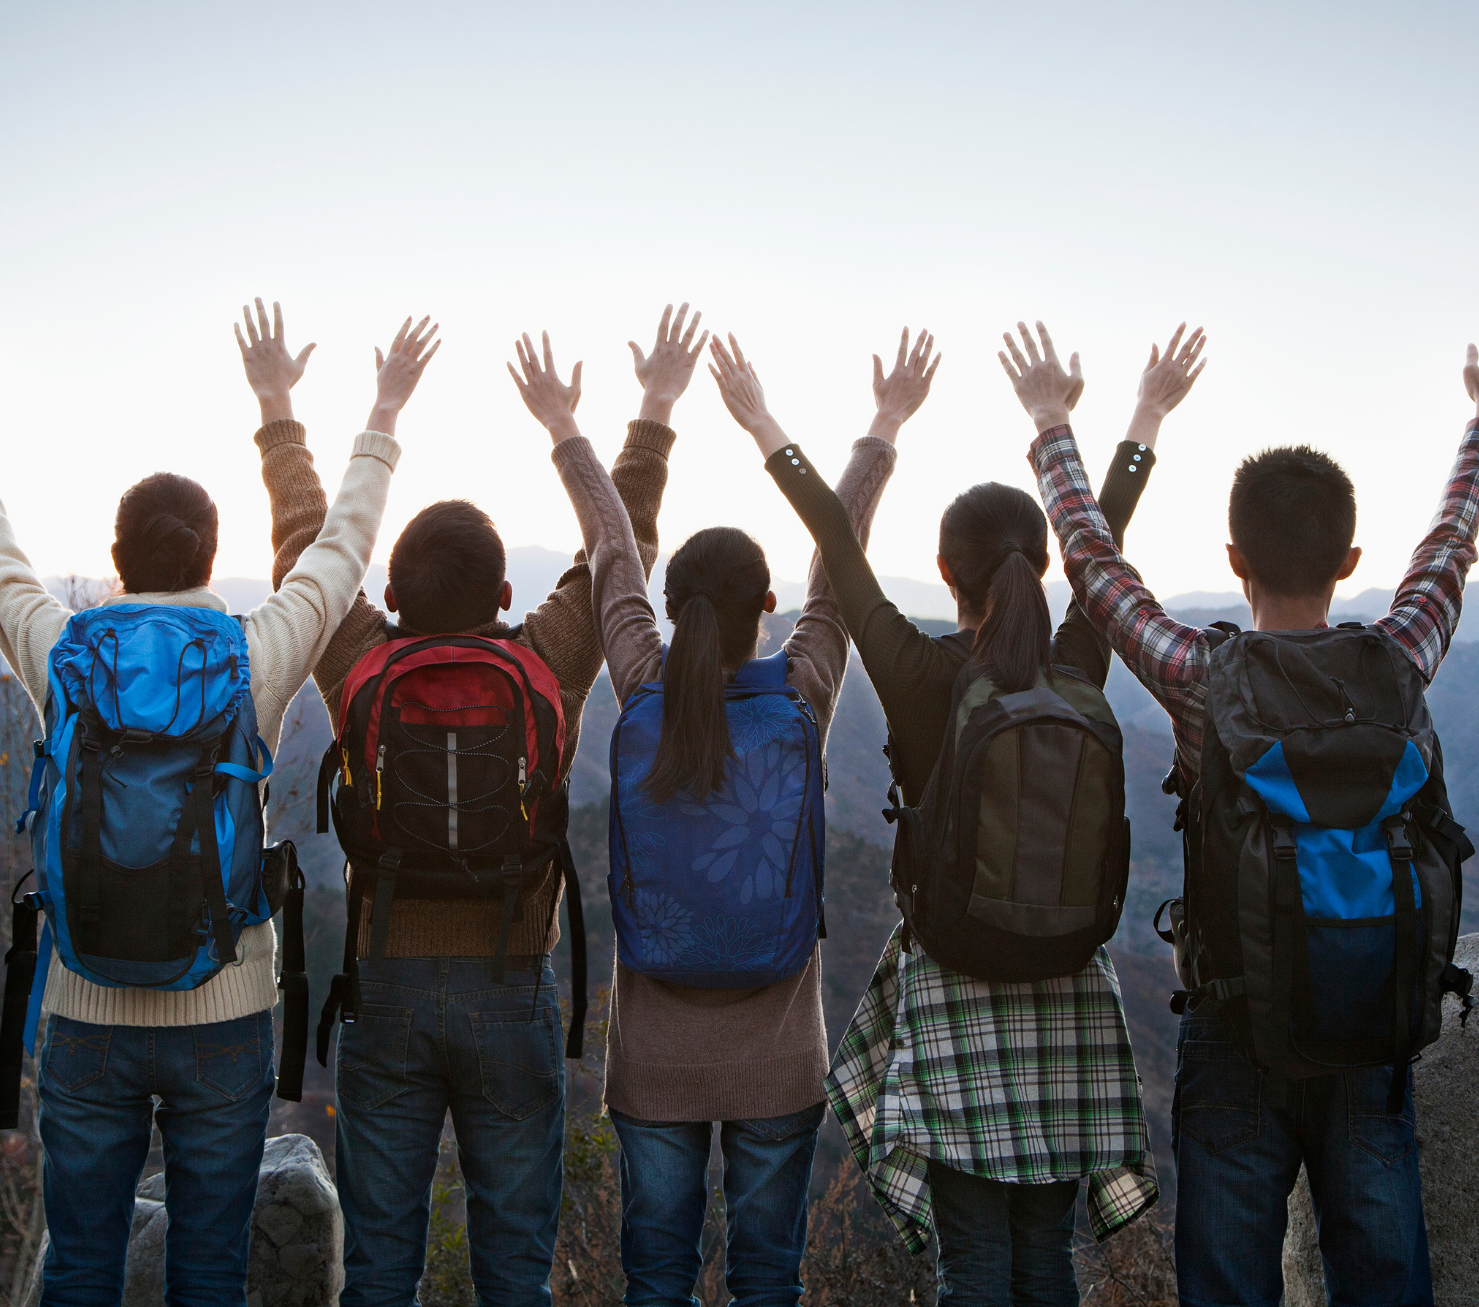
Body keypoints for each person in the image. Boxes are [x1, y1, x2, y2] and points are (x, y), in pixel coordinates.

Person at [1006, 320, 1479, 1307]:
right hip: (1375, 1022)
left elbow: (1095, 572)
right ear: (1351, 561)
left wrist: (1053, 421)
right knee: (1384, 1279)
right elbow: (1447, 551)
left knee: (1227, 1282)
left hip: (1235, 1022)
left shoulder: (1200, 679)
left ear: (1234, 555)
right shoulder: (1399, 664)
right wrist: (1477, 421)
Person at [244, 302, 704, 1307]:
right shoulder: (546, 659)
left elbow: (305, 551)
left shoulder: (361, 656)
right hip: (512, 987)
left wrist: (285, 410)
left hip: (388, 989)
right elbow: (619, 550)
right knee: (511, 1268)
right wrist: (649, 412)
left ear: (393, 597)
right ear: (504, 590)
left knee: (379, 1268)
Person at [0, 302, 432, 1307]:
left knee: (84, 1265)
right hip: (225, 1007)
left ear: (121, 554)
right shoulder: (252, 655)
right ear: (206, 554)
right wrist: (380, 411)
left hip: (84, 1002)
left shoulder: (63, 654)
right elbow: (339, 551)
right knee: (209, 1268)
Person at [730, 329, 1194, 1306]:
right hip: (1071, 983)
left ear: (945, 572)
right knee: (1045, 1257)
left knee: (974, 1261)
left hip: (955, 988)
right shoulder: (1077, 664)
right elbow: (1101, 553)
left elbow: (840, 547)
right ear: (1037, 564)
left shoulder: (920, 675)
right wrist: (1131, 419)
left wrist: (768, 426)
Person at [512, 323, 929, 1307]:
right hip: (779, 1057)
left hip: (654, 1062)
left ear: (675, 605)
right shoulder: (803, 693)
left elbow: (613, 554)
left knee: (655, 1276)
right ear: (769, 607)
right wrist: (881, 423)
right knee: (767, 1278)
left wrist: (575, 425)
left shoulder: (642, 684)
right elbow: (842, 557)